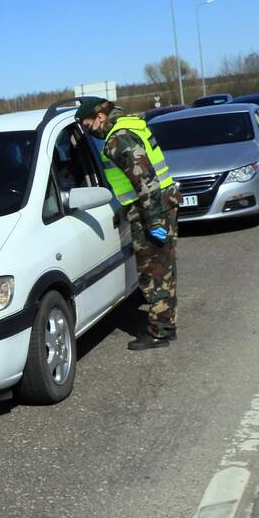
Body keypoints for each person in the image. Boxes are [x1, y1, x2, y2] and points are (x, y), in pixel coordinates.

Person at [75, 97, 179, 350]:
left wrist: (153, 220)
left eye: (88, 124)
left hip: (151, 210)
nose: (89, 130)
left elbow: (146, 182)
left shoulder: (118, 139)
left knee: (154, 273)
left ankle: (159, 333)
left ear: (100, 117)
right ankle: (165, 325)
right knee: (163, 269)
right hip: (160, 204)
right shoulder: (128, 126)